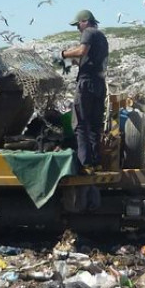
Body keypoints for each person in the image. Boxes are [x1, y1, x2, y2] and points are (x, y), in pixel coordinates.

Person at [60, 10, 109, 170]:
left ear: (85, 21)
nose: (77, 29)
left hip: (86, 84)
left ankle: (84, 163)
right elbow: (91, 59)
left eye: (78, 24)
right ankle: (96, 162)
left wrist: (64, 54)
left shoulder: (88, 32)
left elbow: (82, 51)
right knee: (95, 124)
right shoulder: (102, 37)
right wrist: (76, 63)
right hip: (100, 84)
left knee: (80, 122)